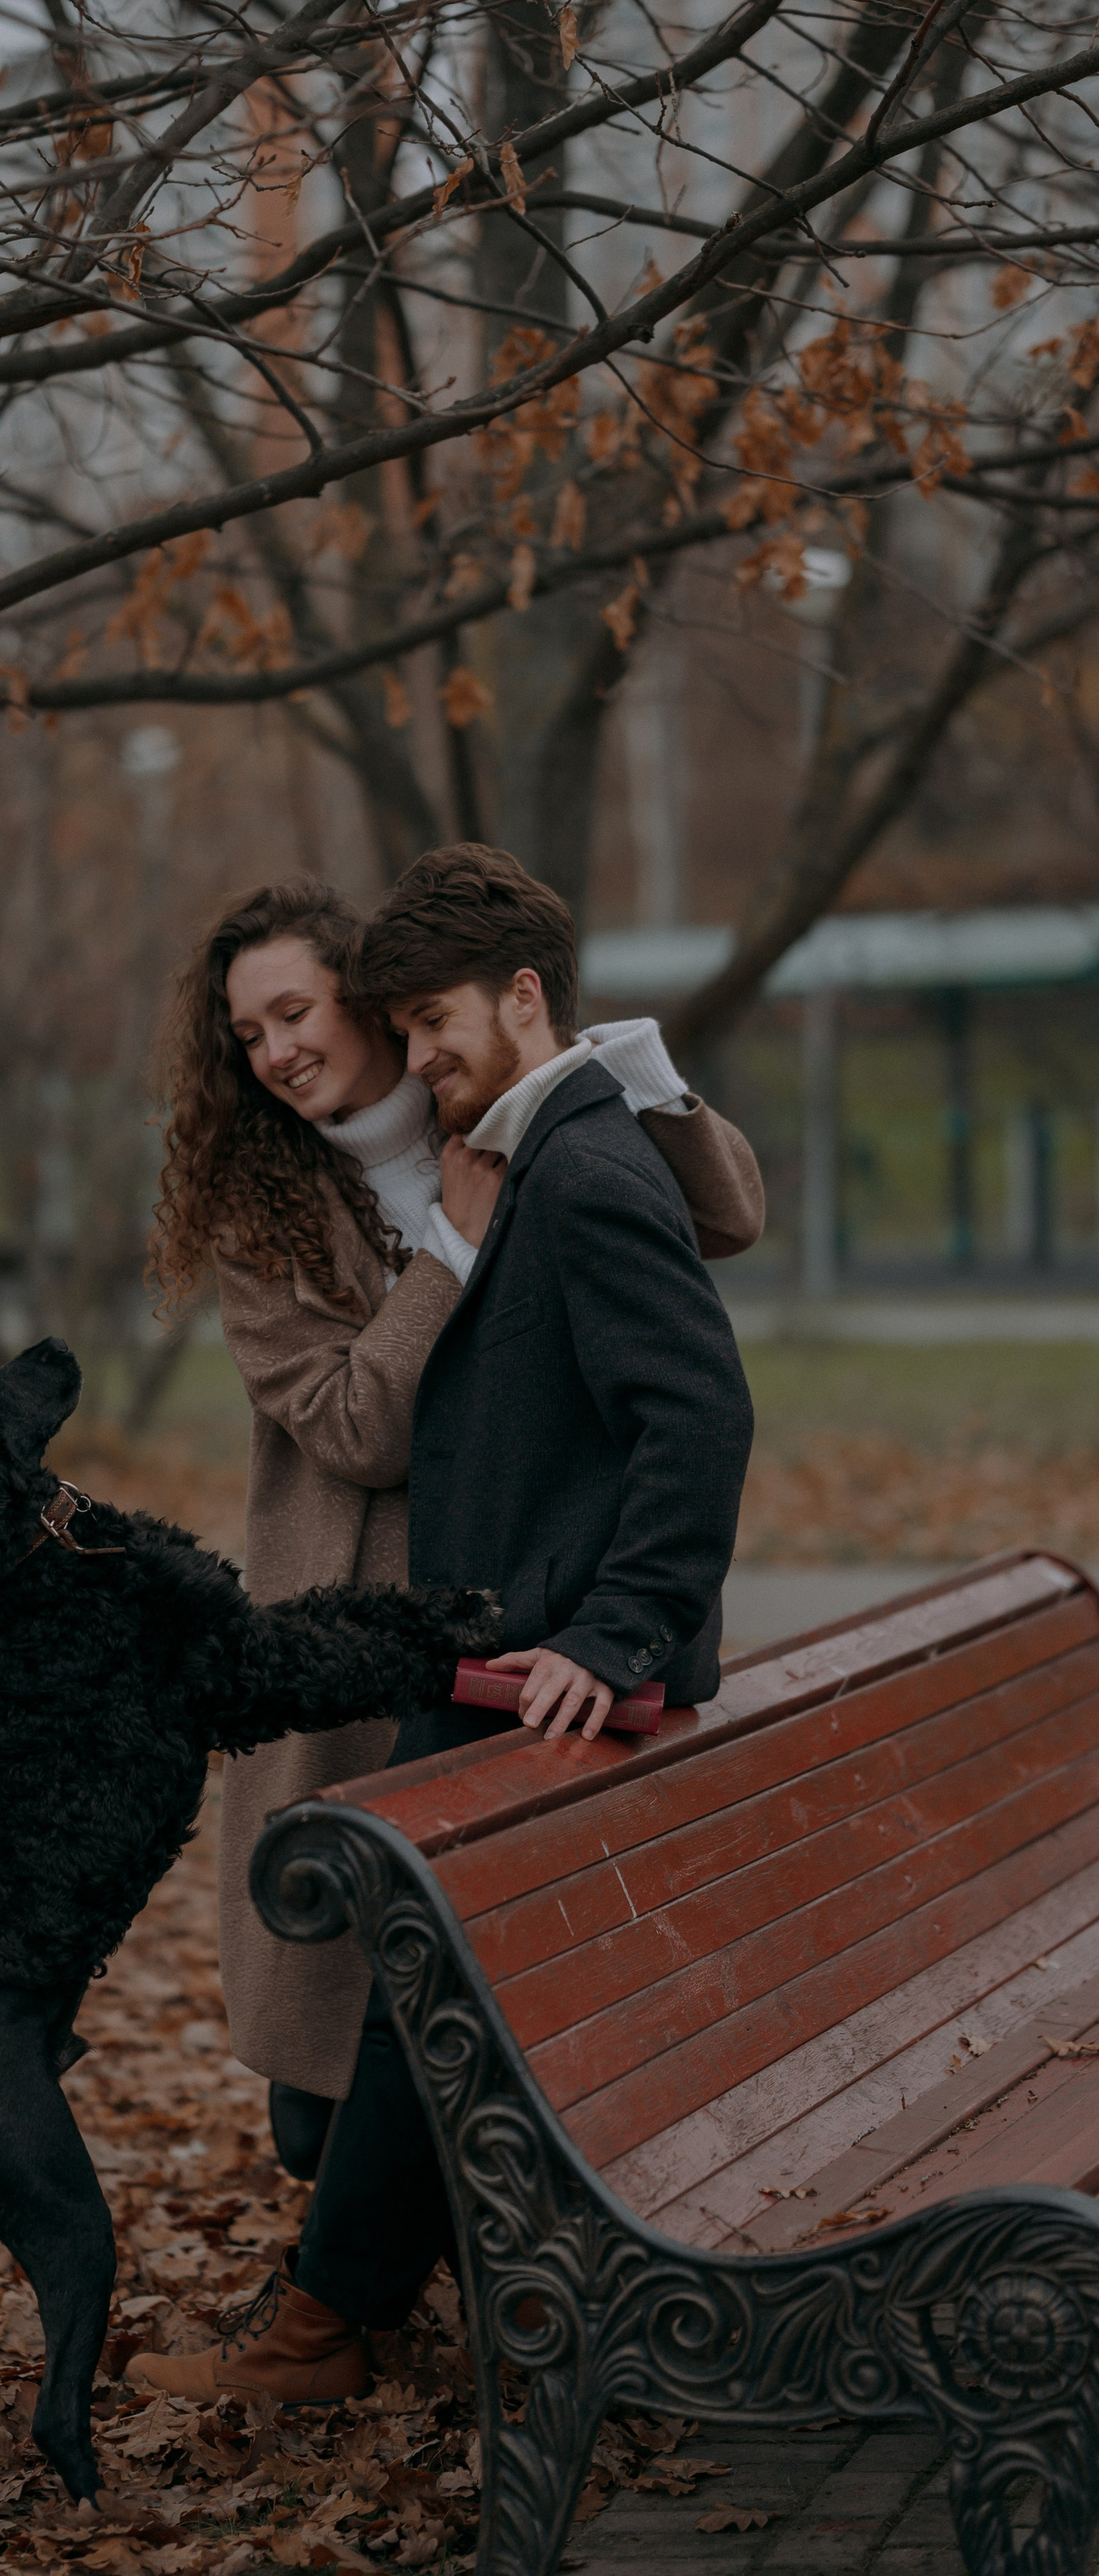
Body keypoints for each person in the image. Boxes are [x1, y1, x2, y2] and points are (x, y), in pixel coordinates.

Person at [134, 850, 756, 2406]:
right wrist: (445, 1250)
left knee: (442, 1978)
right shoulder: (275, 1217)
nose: (279, 1050)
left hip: (523, 1615)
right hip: (365, 1620)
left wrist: (607, 1069)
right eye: (248, 1036)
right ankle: (368, 2277)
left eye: (299, 1012)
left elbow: (714, 1236)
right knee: (329, 2061)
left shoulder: (537, 1124)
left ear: (375, 1004)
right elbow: (353, 1429)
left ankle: (359, 2301)